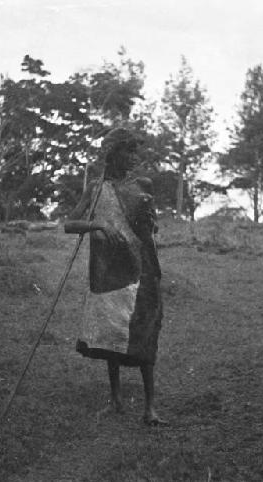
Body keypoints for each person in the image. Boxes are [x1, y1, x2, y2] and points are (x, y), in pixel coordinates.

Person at [64, 127, 165, 425]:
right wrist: (96, 227)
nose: (133, 157)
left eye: (135, 151)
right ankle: (117, 399)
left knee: (145, 333)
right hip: (109, 272)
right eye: (128, 151)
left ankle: (150, 408)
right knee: (111, 334)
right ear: (112, 154)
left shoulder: (143, 185)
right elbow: (70, 224)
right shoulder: (96, 189)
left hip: (143, 269)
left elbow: (152, 228)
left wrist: (148, 224)